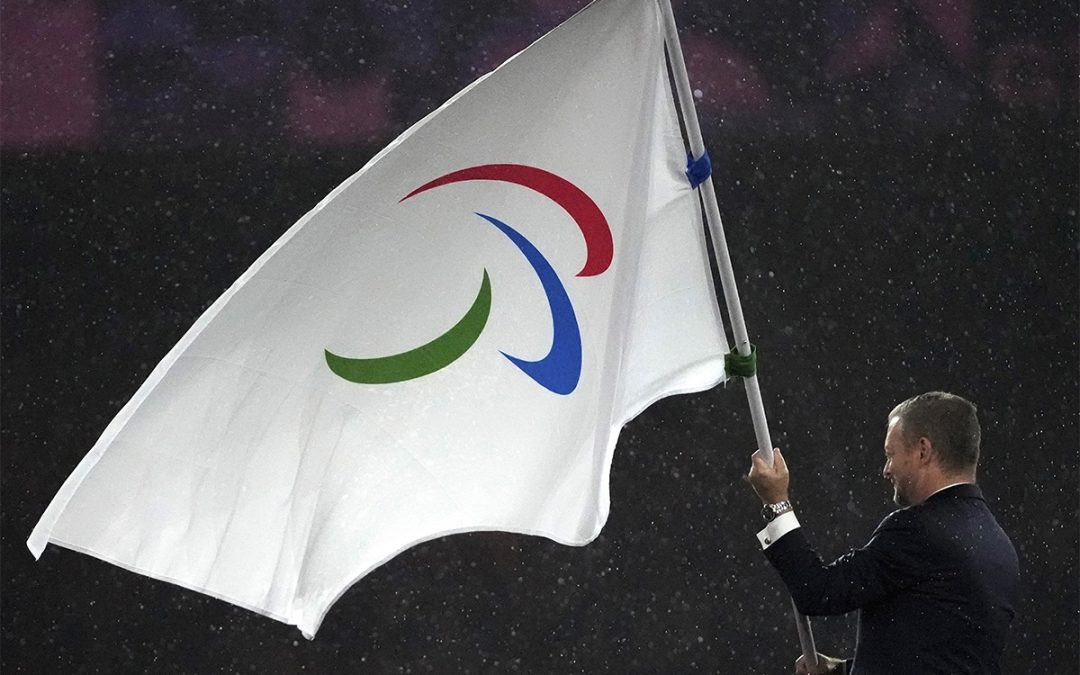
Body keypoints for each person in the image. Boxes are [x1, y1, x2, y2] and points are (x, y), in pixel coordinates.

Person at [746, 392, 1020, 674]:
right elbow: (945, 658)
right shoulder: (1000, 547)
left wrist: (776, 503)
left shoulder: (918, 530)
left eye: (890, 455)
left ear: (923, 451)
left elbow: (818, 591)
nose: (886, 469)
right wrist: (844, 670)